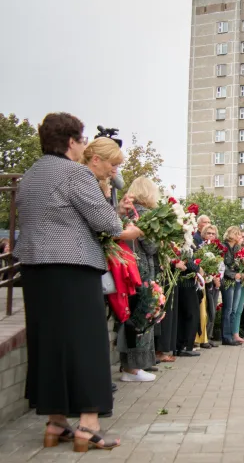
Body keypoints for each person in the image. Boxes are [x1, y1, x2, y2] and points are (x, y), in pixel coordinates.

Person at [17, 113, 143, 450]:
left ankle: (56, 423)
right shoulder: (75, 173)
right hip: (73, 269)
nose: (84, 145)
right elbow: (106, 222)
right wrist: (134, 229)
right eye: (83, 139)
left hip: (34, 270)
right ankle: (88, 425)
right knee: (86, 344)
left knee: (49, 345)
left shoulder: (29, 175)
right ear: (71, 141)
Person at [118, 177, 161, 382]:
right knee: (142, 316)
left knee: (134, 316)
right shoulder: (142, 214)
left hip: (131, 267)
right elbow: (151, 246)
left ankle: (132, 366)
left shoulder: (128, 211)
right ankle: (133, 369)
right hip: (141, 268)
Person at [220, 226, 244, 346]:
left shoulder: (237, 248)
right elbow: (221, 265)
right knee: (228, 308)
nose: (240, 237)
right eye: (238, 235)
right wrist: (233, 275)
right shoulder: (223, 247)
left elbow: (239, 264)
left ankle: (231, 335)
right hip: (227, 280)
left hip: (237, 279)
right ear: (233, 234)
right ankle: (226, 336)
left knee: (234, 309)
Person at [199, 224, 220, 348]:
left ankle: (209, 335)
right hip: (205, 282)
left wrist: (217, 277)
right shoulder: (202, 248)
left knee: (212, 311)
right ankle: (203, 338)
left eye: (213, 233)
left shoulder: (216, 249)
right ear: (204, 234)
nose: (211, 236)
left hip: (215, 282)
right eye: (208, 233)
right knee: (206, 311)